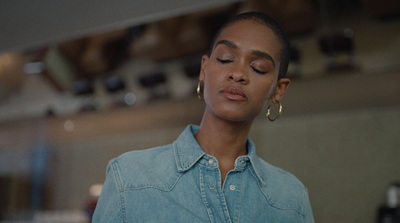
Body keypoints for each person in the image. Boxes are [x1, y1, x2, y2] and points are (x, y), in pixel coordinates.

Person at [92, 11, 314, 222]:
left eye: (258, 68)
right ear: (204, 69)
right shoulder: (130, 177)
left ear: (278, 90)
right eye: (226, 59)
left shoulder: (291, 198)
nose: (237, 74)